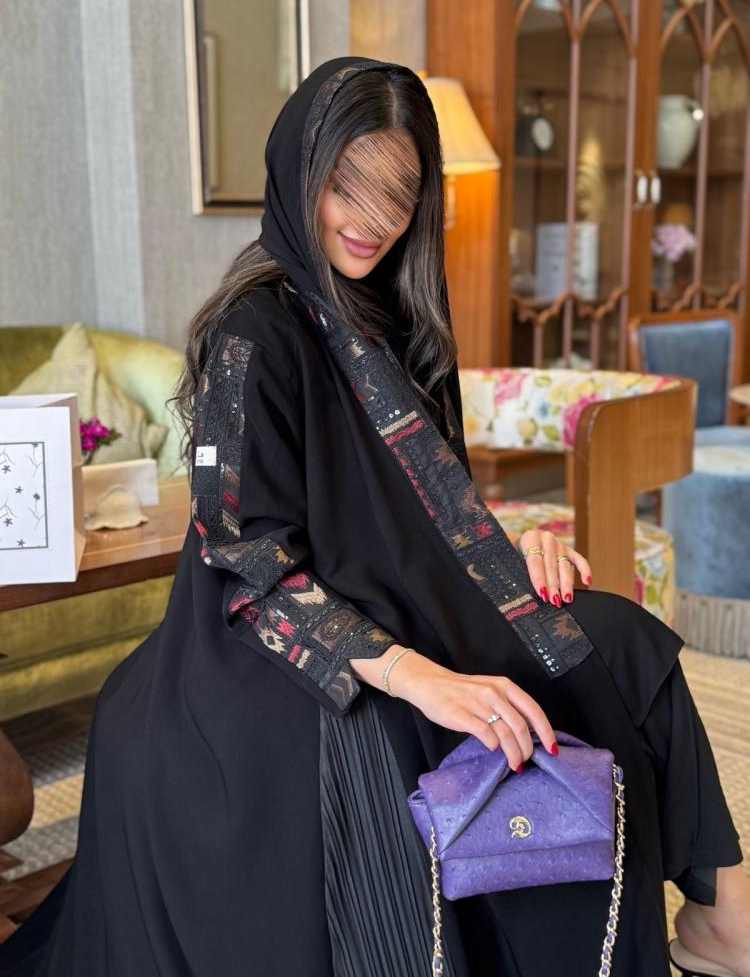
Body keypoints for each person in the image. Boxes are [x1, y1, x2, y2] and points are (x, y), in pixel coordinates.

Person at [0, 54, 747, 977]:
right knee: (416, 727)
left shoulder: (403, 322)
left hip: (402, 596)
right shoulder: (251, 335)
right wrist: (419, 678)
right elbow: (248, 562)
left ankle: (722, 922)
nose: (371, 219)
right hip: (271, 643)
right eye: (345, 186)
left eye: (398, 193)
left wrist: (513, 546)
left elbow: (430, 507)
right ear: (299, 172)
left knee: (619, 639)